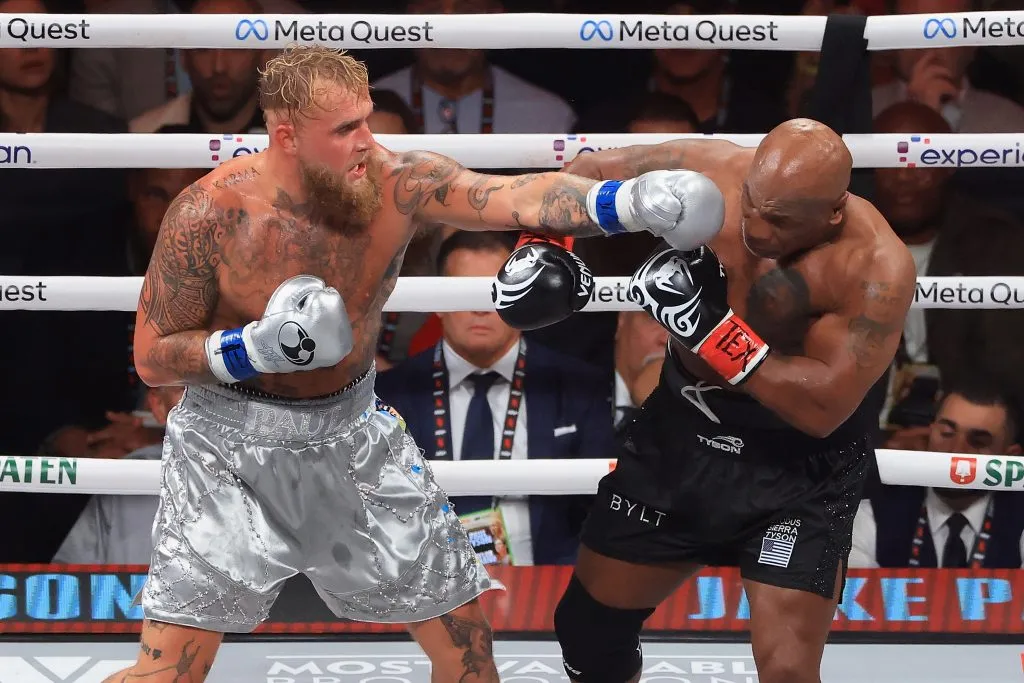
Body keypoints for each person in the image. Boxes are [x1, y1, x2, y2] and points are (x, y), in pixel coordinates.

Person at [107, 43, 721, 683]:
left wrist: (623, 204)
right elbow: (153, 357)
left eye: (366, 119)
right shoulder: (210, 214)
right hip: (228, 447)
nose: (367, 142)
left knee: (468, 649)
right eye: (345, 129)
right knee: (170, 673)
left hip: (350, 434)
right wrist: (255, 348)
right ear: (286, 135)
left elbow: (510, 196)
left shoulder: (394, 183)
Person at [509, 119, 917, 683]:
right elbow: (590, 170)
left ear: (833, 211)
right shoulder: (714, 171)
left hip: (795, 470)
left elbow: (823, 407)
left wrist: (710, 333)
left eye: (780, 219)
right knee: (588, 631)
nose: (754, 225)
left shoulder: (874, 266)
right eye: (753, 203)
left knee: (788, 671)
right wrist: (542, 247)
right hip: (684, 438)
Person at [376, 231, 616, 566]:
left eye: (497, 290)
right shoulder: (392, 393)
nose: (481, 308)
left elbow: (601, 516)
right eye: (464, 291)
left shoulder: (578, 386)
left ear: (524, 298)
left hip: (547, 587)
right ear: (437, 305)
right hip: (426, 587)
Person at [850, 377, 1024, 569]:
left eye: (979, 441)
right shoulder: (872, 512)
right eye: (946, 434)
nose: (956, 451)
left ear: (1011, 457)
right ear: (930, 433)